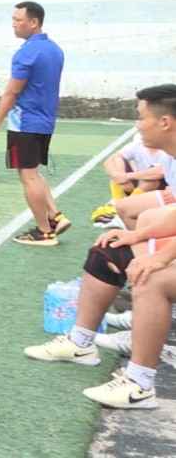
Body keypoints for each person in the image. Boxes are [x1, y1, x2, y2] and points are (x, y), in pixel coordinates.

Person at [23, 85, 176, 409]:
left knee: (152, 279)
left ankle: (140, 385)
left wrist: (161, 258)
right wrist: (134, 238)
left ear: (165, 122)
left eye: (141, 118)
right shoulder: (171, 158)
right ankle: (81, 344)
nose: (137, 126)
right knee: (109, 252)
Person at [0, 1, 68, 245]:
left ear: (34, 22)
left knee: (28, 176)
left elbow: (12, 92)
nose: (14, 24)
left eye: (18, 20)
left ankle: (44, 231)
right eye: (13, 19)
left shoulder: (26, 53)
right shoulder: (55, 49)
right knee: (33, 173)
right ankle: (55, 216)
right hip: (45, 120)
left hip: (25, 122)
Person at [90, 133, 170, 230]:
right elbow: (110, 160)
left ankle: (121, 208)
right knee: (117, 162)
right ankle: (117, 205)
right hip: (140, 186)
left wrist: (127, 176)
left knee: (151, 178)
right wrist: (118, 176)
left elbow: (160, 172)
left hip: (165, 188)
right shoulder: (139, 143)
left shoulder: (169, 147)